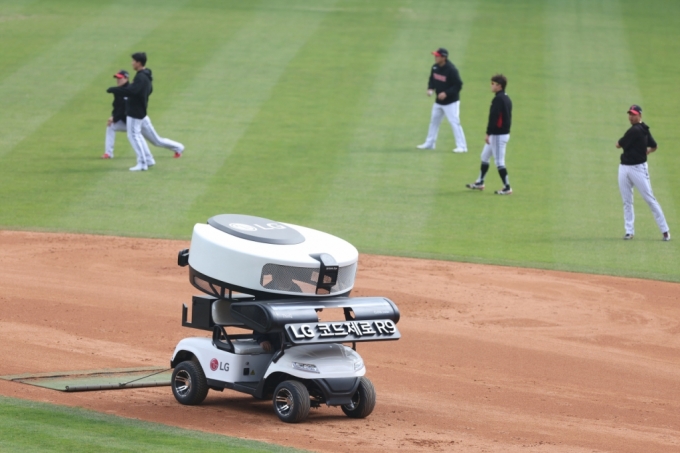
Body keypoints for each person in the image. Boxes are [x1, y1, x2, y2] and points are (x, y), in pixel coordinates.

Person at [107, 52, 184, 171]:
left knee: (134, 136)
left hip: (135, 113)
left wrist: (115, 90)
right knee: (155, 140)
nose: (132, 63)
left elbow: (132, 91)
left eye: (133, 61)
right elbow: (149, 90)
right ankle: (149, 159)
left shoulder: (141, 77)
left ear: (138, 63)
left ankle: (142, 163)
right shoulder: (145, 76)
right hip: (141, 113)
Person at [615, 105, 670, 241]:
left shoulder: (635, 130)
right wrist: (648, 151)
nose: (631, 117)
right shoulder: (644, 129)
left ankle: (665, 231)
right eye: (629, 114)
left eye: (633, 114)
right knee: (627, 201)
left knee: (649, 199)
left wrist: (646, 151)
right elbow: (654, 145)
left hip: (638, 169)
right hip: (624, 168)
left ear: (639, 115)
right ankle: (629, 231)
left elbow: (618, 144)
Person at [466, 74, 513, 195]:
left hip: (498, 135)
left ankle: (507, 187)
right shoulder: (506, 98)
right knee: (484, 156)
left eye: (493, 83)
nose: (491, 85)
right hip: (501, 133)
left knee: (499, 162)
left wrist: (488, 133)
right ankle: (480, 182)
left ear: (499, 86)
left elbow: (494, 118)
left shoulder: (498, 99)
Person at [416, 48, 467, 153]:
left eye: (437, 56)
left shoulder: (451, 70)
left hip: (451, 102)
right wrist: (430, 88)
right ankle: (430, 143)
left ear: (444, 57)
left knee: (454, 123)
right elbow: (432, 79)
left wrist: (446, 93)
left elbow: (458, 85)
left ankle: (462, 147)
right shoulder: (435, 67)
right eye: (435, 55)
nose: (435, 57)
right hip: (438, 102)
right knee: (434, 122)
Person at [102, 70, 129, 159]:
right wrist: (113, 117)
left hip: (138, 122)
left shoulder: (130, 90)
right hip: (127, 122)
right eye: (117, 78)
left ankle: (175, 147)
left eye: (120, 78)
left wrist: (115, 118)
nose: (118, 80)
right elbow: (117, 106)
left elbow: (124, 109)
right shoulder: (118, 91)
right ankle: (108, 153)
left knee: (156, 141)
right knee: (111, 126)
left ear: (126, 78)